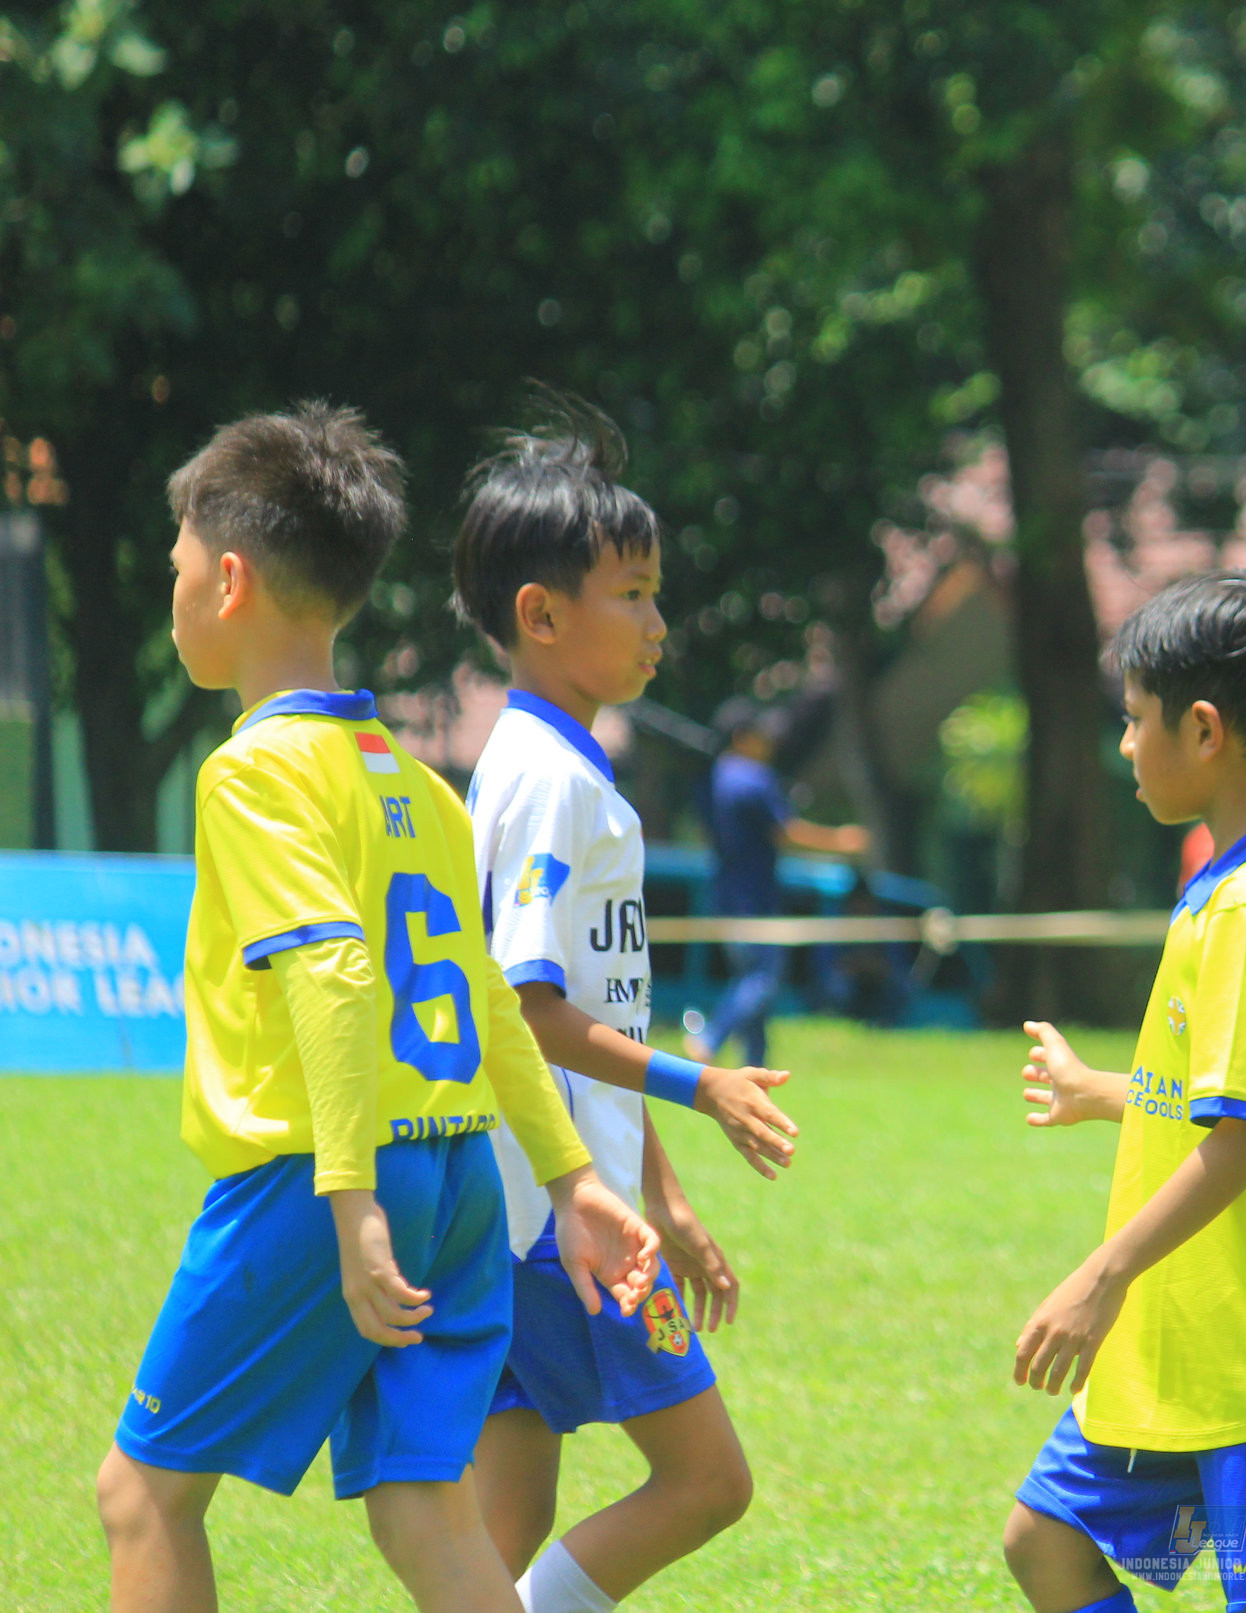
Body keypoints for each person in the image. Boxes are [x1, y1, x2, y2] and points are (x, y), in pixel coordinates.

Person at [97, 404, 659, 1613]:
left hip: (321, 1180)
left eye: (179, 565)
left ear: (230, 580)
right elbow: (491, 1003)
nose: (173, 590)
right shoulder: (416, 780)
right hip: (457, 1177)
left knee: (143, 1494)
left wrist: (349, 1202)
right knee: (426, 1507)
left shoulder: (252, 771)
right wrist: (570, 1181)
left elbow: (337, 975)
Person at [450, 410, 802, 1613]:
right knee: (707, 1480)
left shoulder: (545, 764)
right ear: (542, 614)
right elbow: (528, 1006)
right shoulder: (551, 781)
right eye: (635, 594)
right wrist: (703, 1084)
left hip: (530, 1198)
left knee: (504, 1523)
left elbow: (596, 1013)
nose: (659, 623)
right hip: (555, 1218)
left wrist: (665, 1189)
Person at [1001, 571, 1246, 1613]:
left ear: (1203, 729)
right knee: (1046, 1538)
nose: (1125, 745)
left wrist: (1101, 1275)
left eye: (1134, 719)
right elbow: (1228, 1088)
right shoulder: (1232, 886)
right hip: (1186, 1355)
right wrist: (1108, 1091)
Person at [685, 702, 868, 1066]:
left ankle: (756, 1065)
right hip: (755, 898)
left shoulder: (711, 781)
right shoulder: (755, 778)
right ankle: (710, 1038)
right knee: (762, 979)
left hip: (724, 893)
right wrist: (841, 841)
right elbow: (787, 833)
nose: (769, 742)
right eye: (761, 735)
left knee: (751, 977)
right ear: (741, 738)